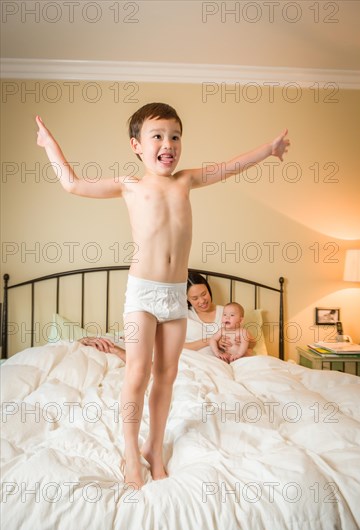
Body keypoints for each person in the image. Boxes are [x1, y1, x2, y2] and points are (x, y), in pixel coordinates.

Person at [36, 103, 290, 488]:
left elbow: (230, 166)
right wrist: (49, 144)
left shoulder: (186, 180)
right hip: (142, 292)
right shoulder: (129, 185)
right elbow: (73, 184)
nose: (167, 143)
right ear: (137, 145)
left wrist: (268, 149)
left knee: (167, 375)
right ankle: (130, 451)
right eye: (157, 136)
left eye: (174, 135)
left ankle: (154, 448)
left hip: (175, 295)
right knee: (138, 372)